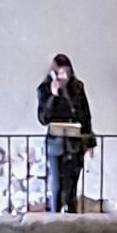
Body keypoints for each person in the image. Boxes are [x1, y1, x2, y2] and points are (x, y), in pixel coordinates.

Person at [37, 54, 93, 213]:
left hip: (75, 141)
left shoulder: (77, 87)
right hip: (55, 142)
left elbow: (85, 114)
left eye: (66, 72)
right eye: (60, 72)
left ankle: (71, 215)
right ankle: (55, 216)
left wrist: (89, 140)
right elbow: (43, 118)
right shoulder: (44, 89)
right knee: (56, 184)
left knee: (72, 185)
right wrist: (53, 96)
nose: (64, 77)